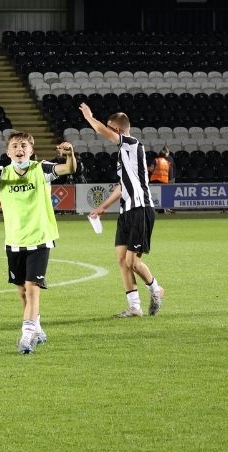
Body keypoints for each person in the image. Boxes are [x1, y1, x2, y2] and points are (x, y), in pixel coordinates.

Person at [0, 134, 76, 354]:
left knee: (32, 289)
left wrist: (70, 155)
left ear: (31, 150)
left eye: (24, 145)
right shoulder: (1, 174)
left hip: (40, 239)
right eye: (14, 146)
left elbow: (68, 169)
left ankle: (27, 334)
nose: (19, 149)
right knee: (22, 291)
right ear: (8, 152)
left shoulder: (42, 169)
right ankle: (37, 329)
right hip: (14, 241)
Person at [81, 104, 165, 318]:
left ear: (117, 130)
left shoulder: (132, 144)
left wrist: (90, 117)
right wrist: (102, 207)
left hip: (140, 208)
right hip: (126, 211)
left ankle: (156, 289)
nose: (108, 132)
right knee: (121, 260)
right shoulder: (123, 155)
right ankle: (134, 307)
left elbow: (101, 130)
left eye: (111, 128)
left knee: (132, 262)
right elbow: (121, 186)